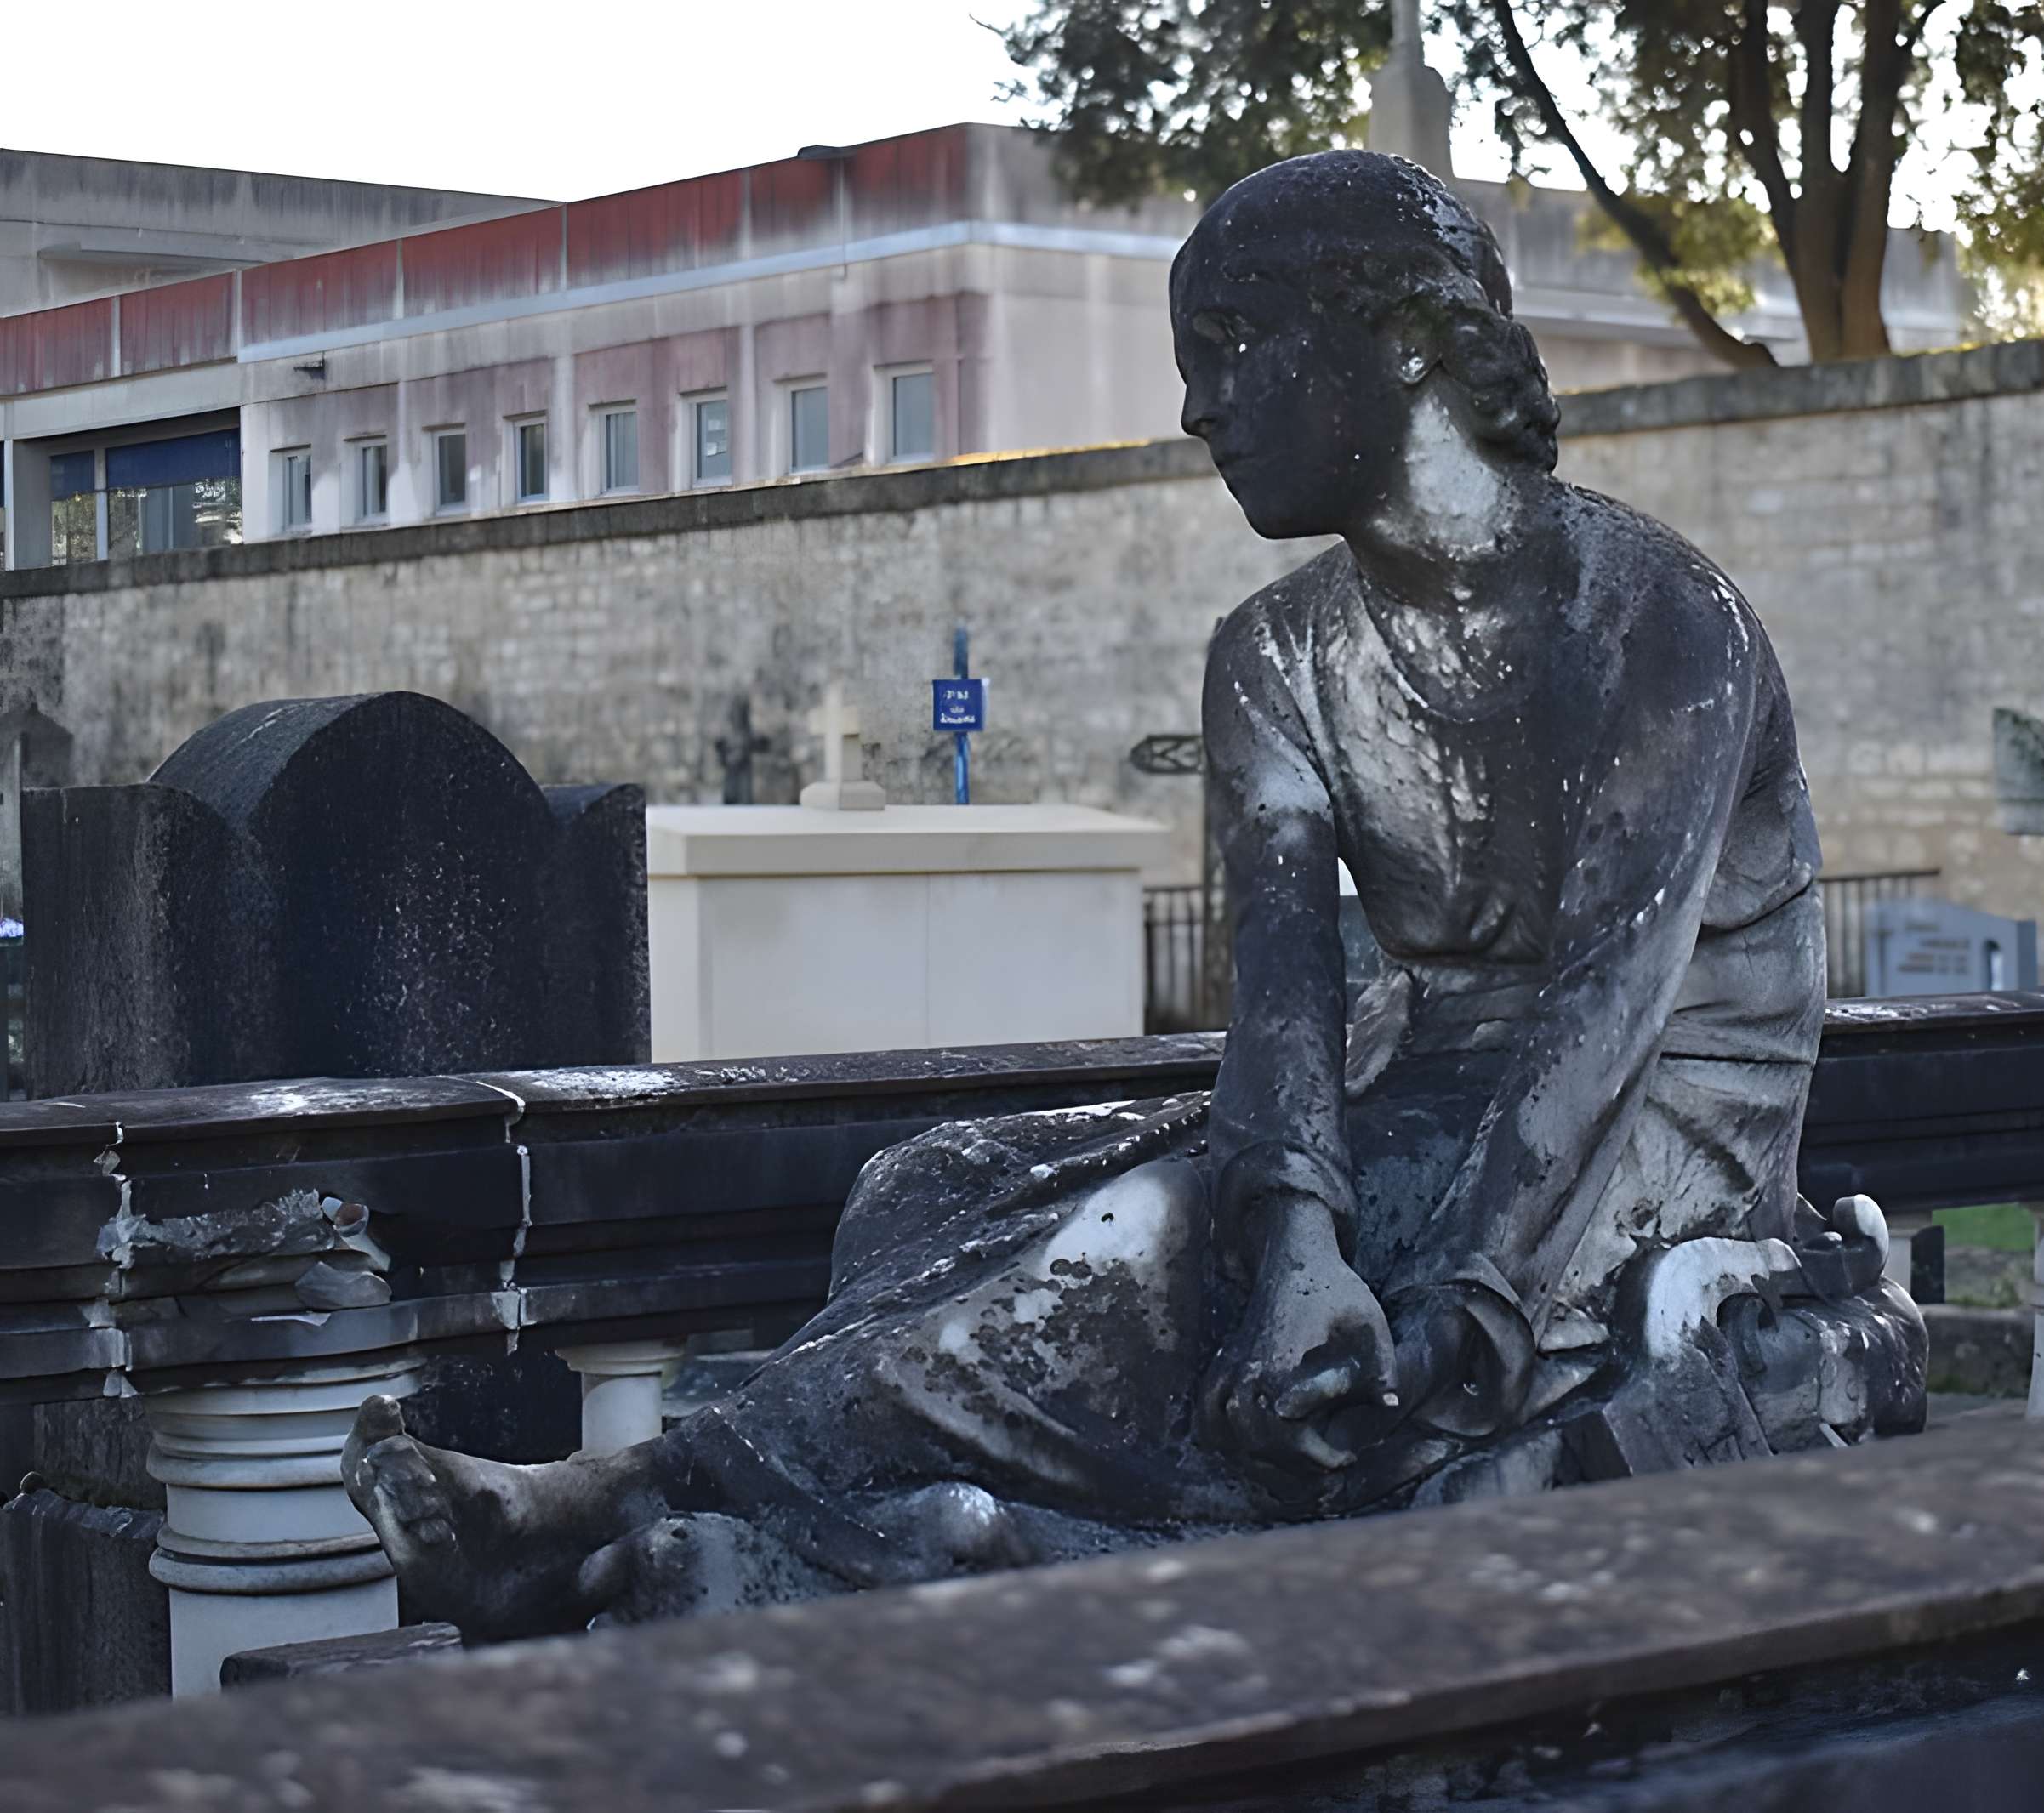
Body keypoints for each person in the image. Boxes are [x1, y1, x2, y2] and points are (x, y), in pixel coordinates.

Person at [342, 151, 1922, 1640]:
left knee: (1132, 1245)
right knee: (938, 1186)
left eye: (1236, 346)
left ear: (1405, 345)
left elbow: (1606, 1008)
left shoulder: (1656, 620)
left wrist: (1462, 1304)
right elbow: (1285, 994)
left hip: (1655, 1124)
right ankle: (858, 1530)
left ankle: (643, 1499)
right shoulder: (1279, 652)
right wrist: (1299, 1236)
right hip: (1421, 1077)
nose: (1194, 406)